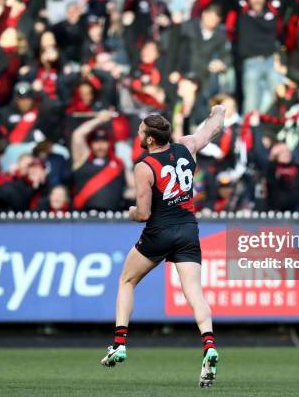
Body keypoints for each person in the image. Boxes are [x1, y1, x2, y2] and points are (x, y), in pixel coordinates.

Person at [100, 105, 226, 388]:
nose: (138, 134)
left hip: (159, 231)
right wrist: (218, 111)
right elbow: (213, 127)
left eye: (141, 131)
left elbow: (143, 214)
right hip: (188, 229)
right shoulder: (188, 146)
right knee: (194, 292)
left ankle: (119, 344)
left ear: (150, 140)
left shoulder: (144, 166)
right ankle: (209, 345)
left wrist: (130, 211)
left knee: (127, 281)